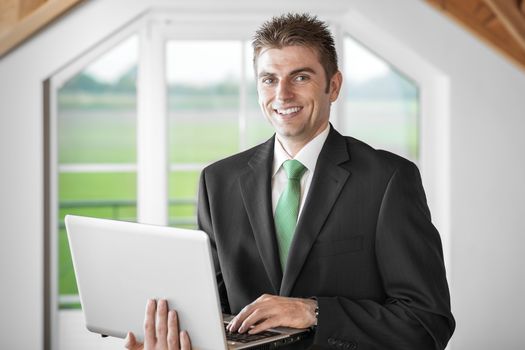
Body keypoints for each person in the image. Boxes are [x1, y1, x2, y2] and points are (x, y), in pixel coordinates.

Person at [129, 12, 455, 350]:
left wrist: (313, 311)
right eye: (269, 79)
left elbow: (427, 322)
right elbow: (215, 313)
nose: (282, 94)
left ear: (334, 85)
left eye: (300, 77)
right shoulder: (218, 181)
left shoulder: (388, 179)